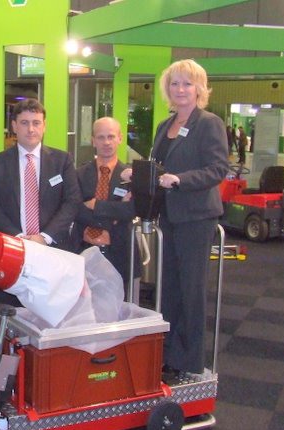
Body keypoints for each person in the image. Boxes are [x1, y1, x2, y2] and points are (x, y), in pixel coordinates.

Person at [123, 59, 229, 380]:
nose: (180, 89)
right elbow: (158, 168)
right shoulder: (164, 125)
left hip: (196, 218)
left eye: (187, 83)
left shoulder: (209, 123)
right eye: (174, 83)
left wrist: (181, 179)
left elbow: (217, 169)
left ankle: (191, 360)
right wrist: (137, 175)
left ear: (199, 88)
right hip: (167, 217)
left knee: (191, 290)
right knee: (168, 288)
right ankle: (169, 354)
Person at [0, 98, 81, 310]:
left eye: (36, 123)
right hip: (11, 252)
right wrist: (18, 238)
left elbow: (72, 202)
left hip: (52, 252)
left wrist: (44, 237)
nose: (31, 129)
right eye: (24, 123)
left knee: (49, 315)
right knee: (7, 315)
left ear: (44, 126)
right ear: (14, 126)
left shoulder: (62, 161)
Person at [71, 117, 140, 301]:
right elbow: (75, 210)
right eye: (101, 137)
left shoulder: (132, 177)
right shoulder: (78, 174)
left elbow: (132, 210)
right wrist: (114, 215)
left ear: (120, 138)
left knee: (117, 310)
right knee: (83, 309)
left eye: (111, 136)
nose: (106, 142)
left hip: (119, 253)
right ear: (93, 140)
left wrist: (96, 205)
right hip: (83, 251)